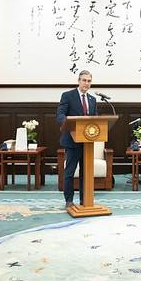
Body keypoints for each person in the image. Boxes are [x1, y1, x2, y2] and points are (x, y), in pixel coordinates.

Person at [56, 70, 98, 208]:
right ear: (79, 81)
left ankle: (84, 199)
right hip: (72, 141)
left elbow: (95, 120)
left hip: (87, 143)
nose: (86, 83)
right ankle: (69, 201)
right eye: (84, 80)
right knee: (69, 172)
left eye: (89, 81)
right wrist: (67, 122)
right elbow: (60, 114)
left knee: (85, 173)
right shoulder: (68, 95)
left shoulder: (93, 99)